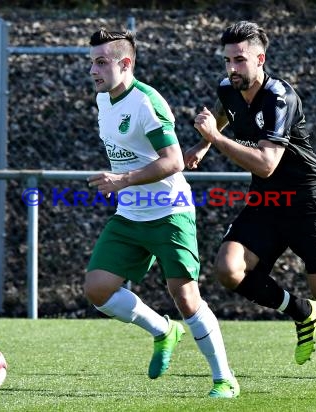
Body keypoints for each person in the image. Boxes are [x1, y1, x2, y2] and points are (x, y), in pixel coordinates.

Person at [185, 21, 316, 395]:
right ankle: (299, 311)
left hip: (307, 199)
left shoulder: (280, 97)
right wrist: (203, 146)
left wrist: (213, 136)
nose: (232, 68)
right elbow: (222, 114)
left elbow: (265, 163)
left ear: (260, 59)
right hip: (267, 200)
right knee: (228, 270)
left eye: (240, 60)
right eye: (228, 60)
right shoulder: (228, 89)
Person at [83, 27, 239, 398]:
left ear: (126, 63)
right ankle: (162, 330)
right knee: (97, 289)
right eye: (92, 62)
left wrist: (124, 179)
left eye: (102, 62)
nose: (93, 71)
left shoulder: (146, 102)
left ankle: (224, 379)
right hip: (131, 213)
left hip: (170, 211)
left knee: (185, 297)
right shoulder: (105, 99)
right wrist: (125, 185)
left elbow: (173, 162)